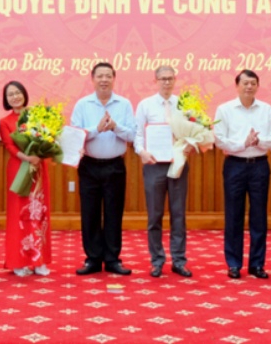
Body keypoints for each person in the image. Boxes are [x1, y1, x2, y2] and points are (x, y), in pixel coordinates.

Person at [213, 69, 271, 279]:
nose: (249, 86)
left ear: (258, 86)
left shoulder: (267, 110)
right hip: (235, 165)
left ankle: (257, 264)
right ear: (237, 86)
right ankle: (234, 264)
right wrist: (243, 143)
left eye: (253, 83)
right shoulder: (224, 110)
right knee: (233, 215)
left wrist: (258, 142)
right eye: (245, 83)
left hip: (259, 165)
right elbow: (219, 139)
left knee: (259, 216)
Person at [71, 62, 136, 276]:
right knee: (89, 213)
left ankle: (112, 259)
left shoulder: (124, 104)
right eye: (100, 76)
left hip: (115, 165)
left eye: (108, 76)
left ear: (114, 79)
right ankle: (92, 259)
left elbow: (132, 135)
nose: (104, 80)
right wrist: (96, 129)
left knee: (113, 213)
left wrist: (116, 127)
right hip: (89, 166)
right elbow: (75, 135)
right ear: (93, 79)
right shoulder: (82, 104)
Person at [134, 66, 194, 278]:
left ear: (175, 80)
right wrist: (141, 152)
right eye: (163, 79)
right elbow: (138, 134)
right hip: (154, 165)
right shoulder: (145, 105)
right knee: (155, 215)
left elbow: (195, 131)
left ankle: (179, 260)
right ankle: (157, 260)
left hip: (178, 163)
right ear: (155, 81)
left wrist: (191, 144)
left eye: (170, 79)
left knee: (178, 214)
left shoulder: (185, 104)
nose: (167, 83)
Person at [0, 81, 52, 277]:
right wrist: (27, 157)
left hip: (38, 168)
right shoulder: (5, 121)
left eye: (18, 93)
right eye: (10, 94)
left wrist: (39, 154)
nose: (15, 97)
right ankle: (18, 261)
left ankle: (39, 261)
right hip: (18, 168)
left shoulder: (36, 117)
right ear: (6, 99)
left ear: (24, 94)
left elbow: (48, 139)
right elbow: (9, 146)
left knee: (39, 212)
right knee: (18, 214)